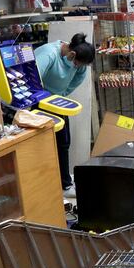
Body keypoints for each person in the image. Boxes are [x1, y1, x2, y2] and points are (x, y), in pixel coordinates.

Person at [34, 33, 95, 192]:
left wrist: (61, 94)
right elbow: (33, 79)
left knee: (63, 142)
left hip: (56, 101)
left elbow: (77, 80)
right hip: (38, 100)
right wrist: (42, 99)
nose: (78, 67)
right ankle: (44, 183)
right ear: (72, 54)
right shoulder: (48, 54)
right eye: (77, 64)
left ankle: (65, 183)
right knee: (40, 145)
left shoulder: (79, 64)